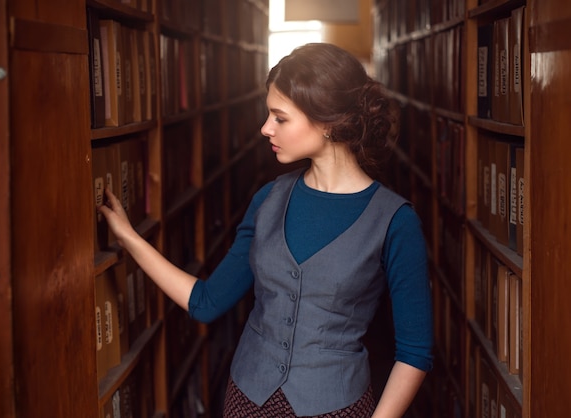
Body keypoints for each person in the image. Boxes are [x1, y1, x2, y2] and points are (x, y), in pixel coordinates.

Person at [98, 42, 433, 418]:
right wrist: (128, 236)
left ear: (327, 122)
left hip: (338, 408)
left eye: (280, 117)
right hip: (246, 401)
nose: (264, 128)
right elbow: (206, 302)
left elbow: (414, 352)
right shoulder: (268, 200)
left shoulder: (395, 221)